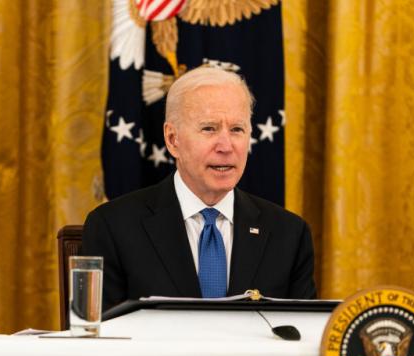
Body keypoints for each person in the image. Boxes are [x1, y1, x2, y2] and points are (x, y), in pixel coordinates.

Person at [83, 66, 316, 312]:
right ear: (172, 139)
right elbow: (99, 332)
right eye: (209, 129)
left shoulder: (289, 235)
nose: (226, 146)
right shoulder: (113, 227)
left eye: (237, 129)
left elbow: (302, 331)